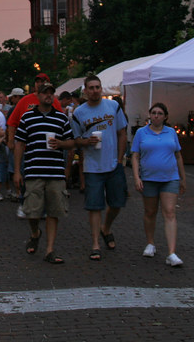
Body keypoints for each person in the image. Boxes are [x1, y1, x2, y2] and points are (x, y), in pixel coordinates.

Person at [14, 82, 75, 264]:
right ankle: (35, 232)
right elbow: (19, 144)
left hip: (55, 171)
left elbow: (70, 143)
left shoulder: (61, 118)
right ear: (38, 96)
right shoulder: (27, 118)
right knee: (32, 212)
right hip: (34, 170)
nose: (48, 96)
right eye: (45, 93)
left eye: (51, 93)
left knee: (54, 211)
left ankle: (50, 249)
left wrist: (67, 163)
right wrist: (17, 171)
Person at [70, 75, 129, 261]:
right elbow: (76, 140)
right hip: (92, 166)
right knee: (94, 207)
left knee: (117, 203)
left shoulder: (113, 107)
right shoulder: (79, 113)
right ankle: (95, 243)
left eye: (97, 87)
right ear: (85, 91)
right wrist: (86, 141)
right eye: (91, 88)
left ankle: (107, 228)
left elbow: (122, 133)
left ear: (101, 89)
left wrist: (119, 159)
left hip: (113, 164)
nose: (95, 90)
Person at [131, 102, 186, 267]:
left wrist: (183, 178)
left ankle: (171, 252)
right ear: (149, 115)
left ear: (165, 116)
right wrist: (136, 177)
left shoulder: (171, 132)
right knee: (150, 211)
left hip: (169, 177)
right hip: (149, 178)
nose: (156, 116)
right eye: (153, 113)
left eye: (160, 113)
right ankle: (150, 242)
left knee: (169, 212)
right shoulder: (141, 133)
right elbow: (135, 156)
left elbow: (178, 155)